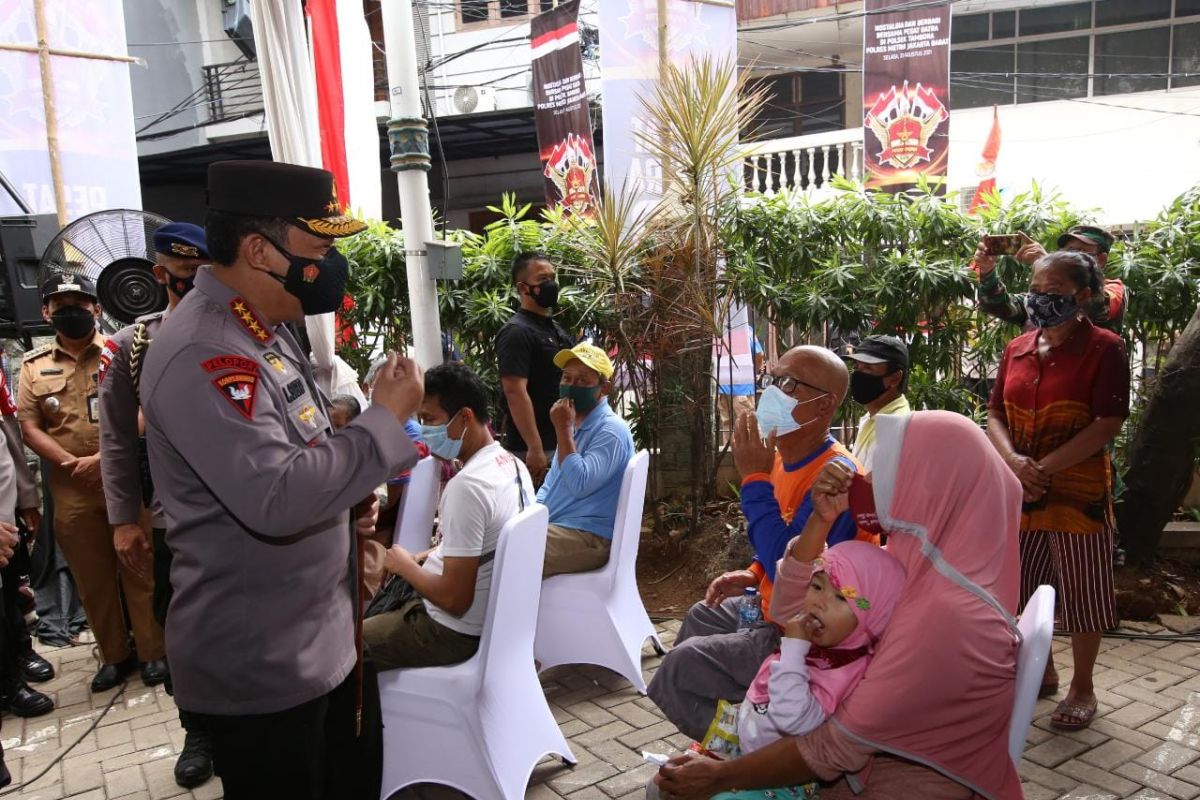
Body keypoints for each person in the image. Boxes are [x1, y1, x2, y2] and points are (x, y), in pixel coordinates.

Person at [140, 160, 423, 799]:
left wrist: (349, 499)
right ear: (260, 249)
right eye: (318, 247)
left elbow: (305, 444)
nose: (330, 263)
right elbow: (274, 497)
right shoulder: (204, 352)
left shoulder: (260, 323)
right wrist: (385, 421)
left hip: (321, 636)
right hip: (264, 665)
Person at [655, 411, 1024, 800]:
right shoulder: (926, 558)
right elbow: (789, 613)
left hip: (902, 777)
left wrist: (721, 776)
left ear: (934, 485)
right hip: (873, 757)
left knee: (670, 789)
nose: (868, 479)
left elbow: (835, 748)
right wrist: (822, 518)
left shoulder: (948, 616)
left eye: (888, 469)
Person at [647, 346, 866, 741]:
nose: (772, 393)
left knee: (680, 667)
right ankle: (732, 726)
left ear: (825, 405)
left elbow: (794, 568)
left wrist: (753, 480)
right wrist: (752, 573)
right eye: (772, 378)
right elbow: (777, 554)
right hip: (768, 605)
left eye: (789, 384)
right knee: (701, 614)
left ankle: (749, 752)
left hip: (802, 628)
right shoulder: (780, 457)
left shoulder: (837, 478)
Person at [987, 250, 1129, 732]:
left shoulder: (1105, 348)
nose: (1040, 299)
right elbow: (994, 415)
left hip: (1077, 494)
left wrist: (1041, 468)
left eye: (1053, 292)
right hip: (1021, 490)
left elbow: (1108, 420)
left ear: (1083, 296)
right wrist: (1013, 463)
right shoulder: (1018, 348)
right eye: (1036, 289)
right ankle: (1040, 671)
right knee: (1023, 589)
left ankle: (1083, 686)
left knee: (1084, 591)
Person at [97, 221, 213, 787]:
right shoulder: (132, 345)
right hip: (174, 517)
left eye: (201, 279)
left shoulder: (240, 330)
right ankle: (197, 728)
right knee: (181, 627)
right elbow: (115, 439)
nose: (190, 290)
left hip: (243, 515)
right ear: (159, 276)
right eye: (181, 280)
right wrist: (123, 519)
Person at [18, 274, 166, 693]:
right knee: (92, 577)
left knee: (140, 565)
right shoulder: (33, 367)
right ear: (46, 312)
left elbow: (144, 408)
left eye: (80, 305)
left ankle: (155, 652)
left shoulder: (124, 351)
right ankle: (115, 656)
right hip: (72, 489)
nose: (72, 312)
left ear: (96, 309)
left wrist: (105, 458)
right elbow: (29, 427)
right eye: (60, 305)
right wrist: (71, 461)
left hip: (124, 477)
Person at [363, 363, 533, 670]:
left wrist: (402, 566)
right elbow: (487, 546)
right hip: (494, 620)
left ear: (465, 417)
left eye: (430, 419)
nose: (426, 430)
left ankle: (367, 718)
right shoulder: (511, 465)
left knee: (346, 645)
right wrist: (425, 555)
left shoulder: (468, 487)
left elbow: (455, 600)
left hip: (450, 631)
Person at [537, 343, 634, 577]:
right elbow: (551, 483)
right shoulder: (575, 424)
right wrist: (531, 514)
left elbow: (580, 484)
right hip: (560, 527)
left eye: (582, 381)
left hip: (588, 536)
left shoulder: (610, 431)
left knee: (508, 551)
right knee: (499, 539)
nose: (570, 387)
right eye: (567, 378)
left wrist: (562, 429)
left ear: (604, 388)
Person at [0, 367, 52, 718]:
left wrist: (25, 498)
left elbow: (7, 436)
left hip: (3, 519)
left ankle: (14, 667)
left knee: (7, 595)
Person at [497, 251, 575, 484]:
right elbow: (514, 391)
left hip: (559, 440)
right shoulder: (516, 332)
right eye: (543, 279)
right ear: (523, 288)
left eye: (553, 277)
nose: (551, 284)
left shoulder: (555, 329)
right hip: (535, 450)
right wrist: (535, 447)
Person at [972, 225, 1126, 332]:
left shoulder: (1113, 289)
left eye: (1081, 251)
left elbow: (1096, 306)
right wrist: (987, 272)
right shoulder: (1042, 299)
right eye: (1069, 251)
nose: (1074, 257)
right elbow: (1000, 306)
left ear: (1102, 259)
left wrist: (1051, 265)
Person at [844, 335, 911, 474]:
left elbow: (872, 491)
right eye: (856, 367)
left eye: (868, 368)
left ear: (895, 378)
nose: (858, 375)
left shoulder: (895, 429)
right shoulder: (872, 418)